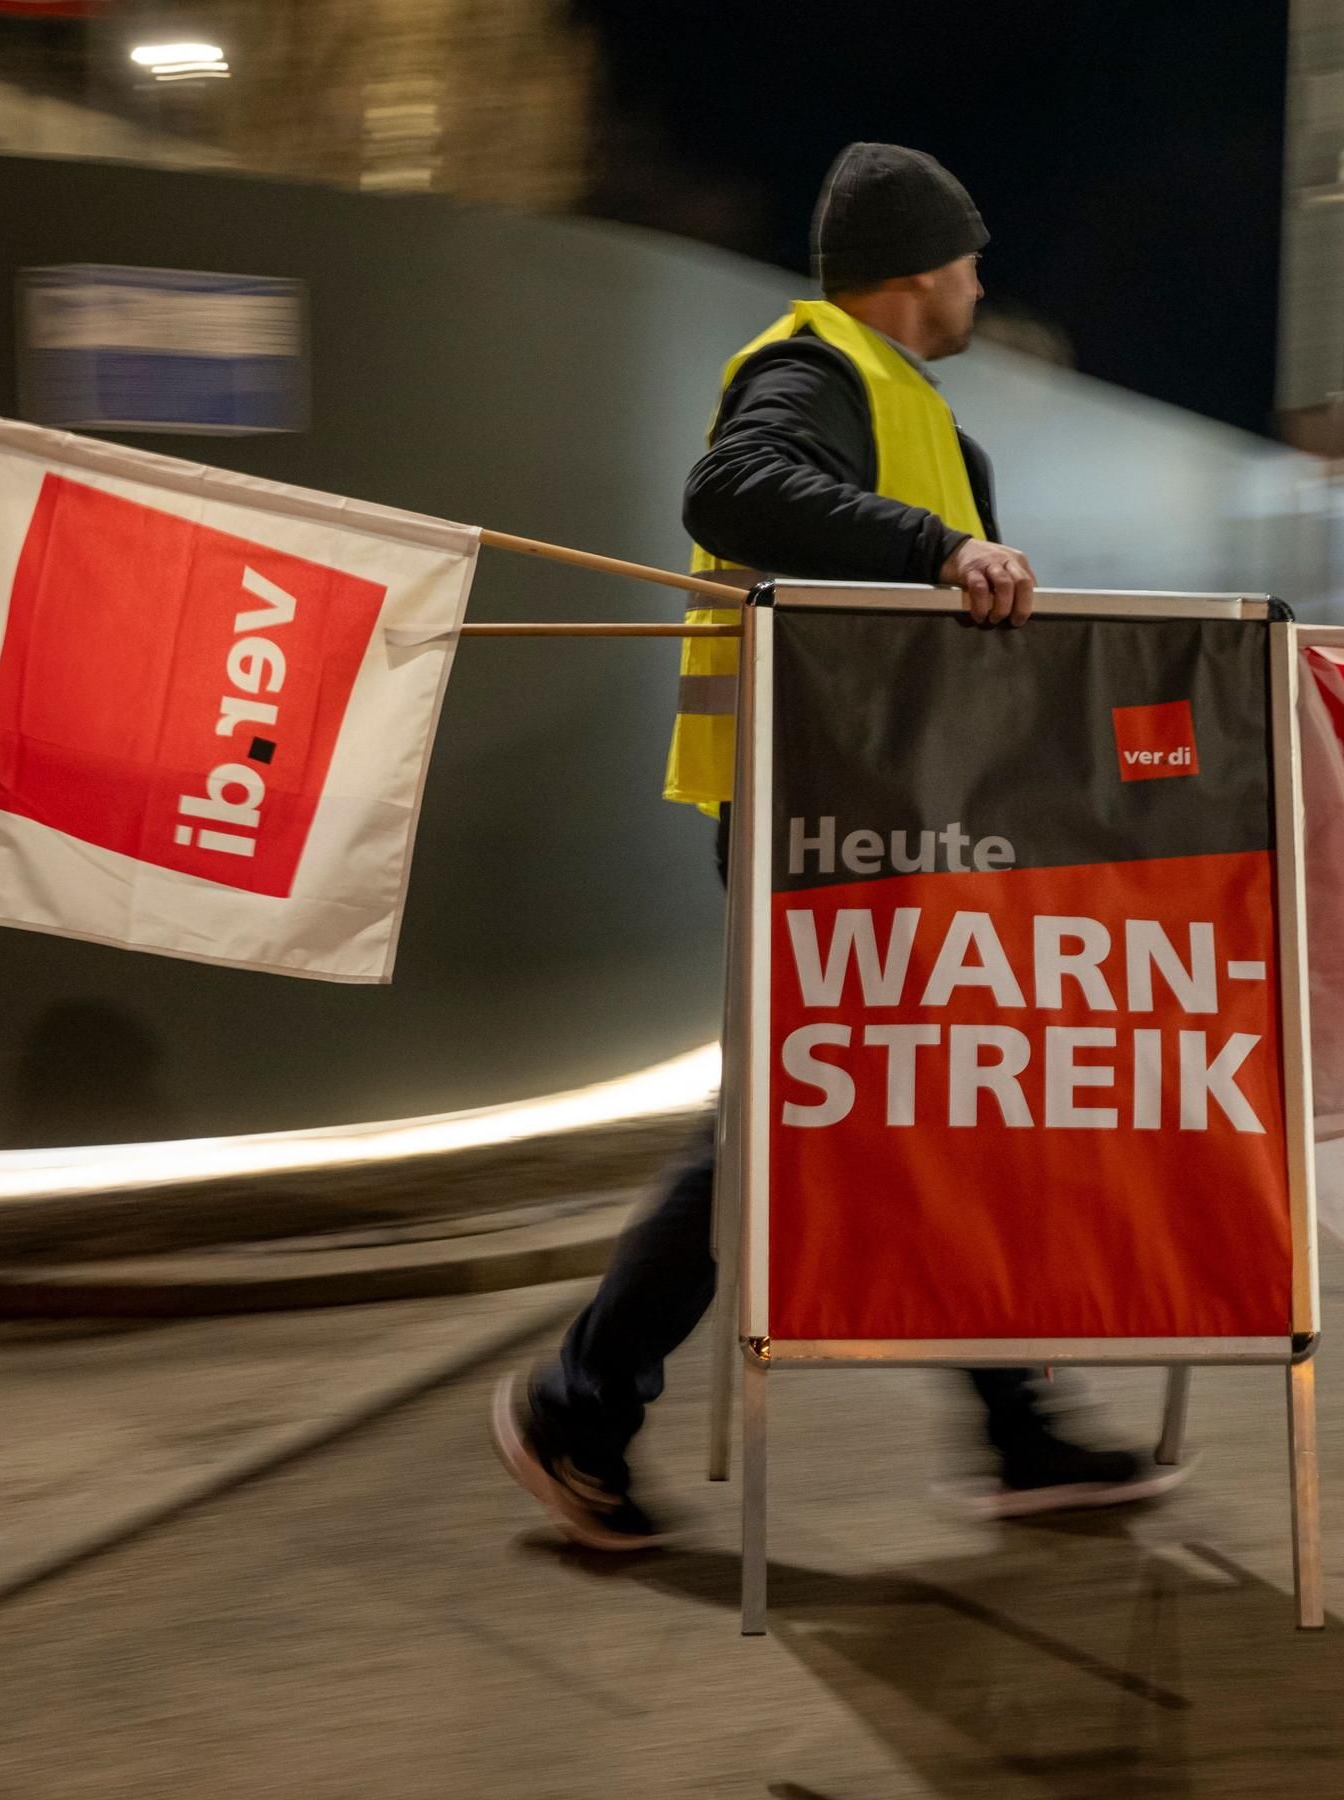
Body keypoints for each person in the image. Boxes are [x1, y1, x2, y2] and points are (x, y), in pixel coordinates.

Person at [494, 143, 1155, 1549]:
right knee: (788, 1130)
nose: (982, 282)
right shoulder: (812, 370)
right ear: (920, 268)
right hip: (810, 823)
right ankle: (580, 1402)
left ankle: (1011, 1430)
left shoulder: (919, 413)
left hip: (890, 825)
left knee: (918, 1111)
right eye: (970, 259)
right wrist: (936, 548)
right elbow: (731, 490)